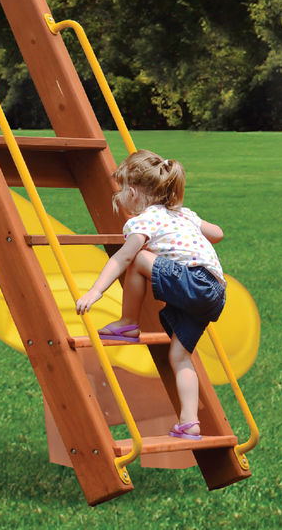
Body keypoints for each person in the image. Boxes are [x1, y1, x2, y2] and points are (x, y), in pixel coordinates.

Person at [75, 150, 228, 439]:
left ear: (133, 192)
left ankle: (128, 321)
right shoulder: (183, 214)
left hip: (194, 284)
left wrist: (96, 290)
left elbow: (123, 257)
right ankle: (189, 422)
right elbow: (218, 234)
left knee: (139, 257)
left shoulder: (143, 221)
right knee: (180, 356)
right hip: (215, 292)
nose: (119, 195)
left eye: (121, 189)